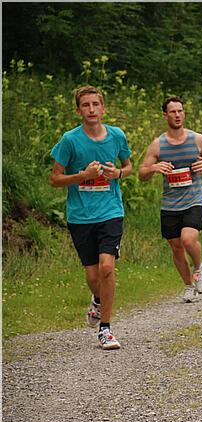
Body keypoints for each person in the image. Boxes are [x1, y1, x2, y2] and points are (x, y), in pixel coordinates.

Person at [49, 85, 132, 350]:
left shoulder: (117, 135)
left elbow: (128, 167)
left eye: (95, 104)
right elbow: (55, 178)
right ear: (78, 110)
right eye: (86, 105)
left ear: (103, 108)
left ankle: (105, 329)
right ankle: (97, 299)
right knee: (93, 275)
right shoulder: (70, 140)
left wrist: (117, 173)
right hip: (81, 216)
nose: (91, 110)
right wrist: (82, 176)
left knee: (107, 268)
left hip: (111, 211)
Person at [138, 96, 202, 303]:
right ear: (165, 115)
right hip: (170, 203)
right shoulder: (158, 145)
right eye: (173, 112)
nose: (177, 115)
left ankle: (199, 268)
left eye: (180, 111)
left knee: (188, 239)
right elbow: (142, 174)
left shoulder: (197, 139)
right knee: (175, 246)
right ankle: (188, 285)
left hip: (195, 198)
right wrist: (154, 168)